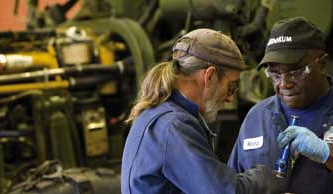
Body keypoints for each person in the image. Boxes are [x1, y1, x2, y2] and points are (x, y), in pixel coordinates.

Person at [228, 16, 333, 194]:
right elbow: (233, 184)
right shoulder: (256, 117)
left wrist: (330, 154)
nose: (284, 84)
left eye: (295, 73)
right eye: (275, 75)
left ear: (322, 65)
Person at [121, 29, 283, 194]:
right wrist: (266, 178)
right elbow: (222, 191)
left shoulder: (157, 114)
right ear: (210, 76)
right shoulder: (174, 126)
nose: (229, 99)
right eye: (231, 87)